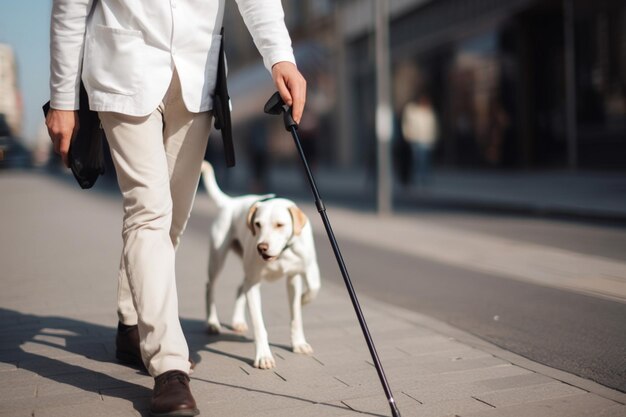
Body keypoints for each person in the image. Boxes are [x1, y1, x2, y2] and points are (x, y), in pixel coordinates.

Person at [45, 1, 306, 416]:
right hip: (122, 66)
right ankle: (169, 367)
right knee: (148, 211)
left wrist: (280, 56)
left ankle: (132, 325)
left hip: (195, 72)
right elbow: (71, 5)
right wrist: (61, 98)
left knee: (173, 217)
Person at [401, 94, 438, 187]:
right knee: (417, 161)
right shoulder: (413, 111)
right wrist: (408, 135)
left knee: (425, 161)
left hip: (426, 140)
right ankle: (417, 179)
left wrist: (433, 138)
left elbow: (433, 127)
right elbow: (407, 123)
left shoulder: (429, 113)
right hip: (416, 140)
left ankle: (424, 179)